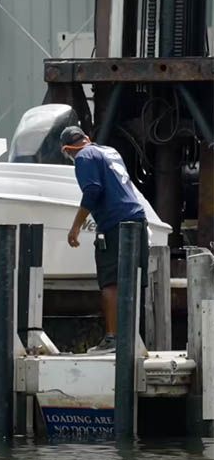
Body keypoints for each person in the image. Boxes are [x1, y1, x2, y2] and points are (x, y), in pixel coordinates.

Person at [60, 125, 148, 354]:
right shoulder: (109, 151)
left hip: (115, 223)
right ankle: (131, 337)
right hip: (137, 217)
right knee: (131, 277)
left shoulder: (83, 156)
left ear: (68, 149)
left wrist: (75, 227)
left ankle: (113, 338)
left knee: (110, 280)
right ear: (87, 138)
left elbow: (92, 191)